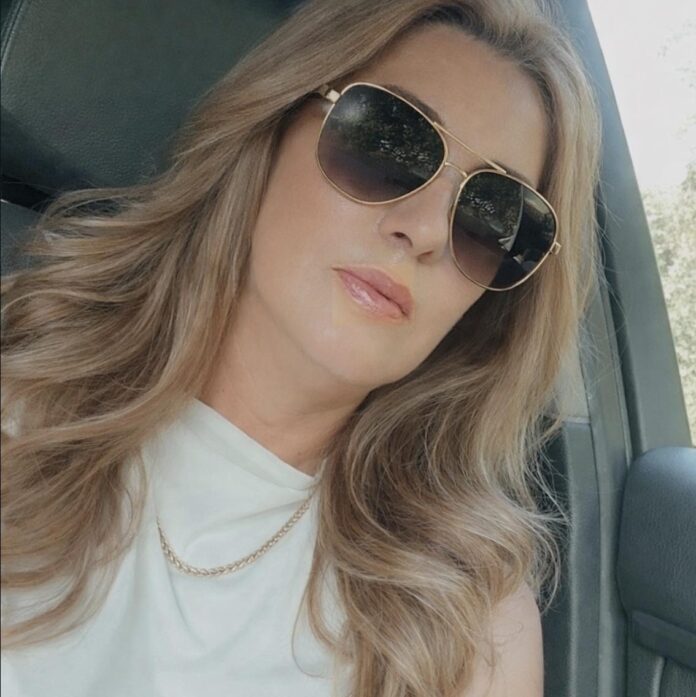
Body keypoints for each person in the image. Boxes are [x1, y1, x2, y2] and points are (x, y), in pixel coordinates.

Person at [0, 0, 602, 695]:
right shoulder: (23, 380)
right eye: (388, 142)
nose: (427, 232)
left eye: (492, 219)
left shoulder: (466, 614)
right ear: (271, 122)